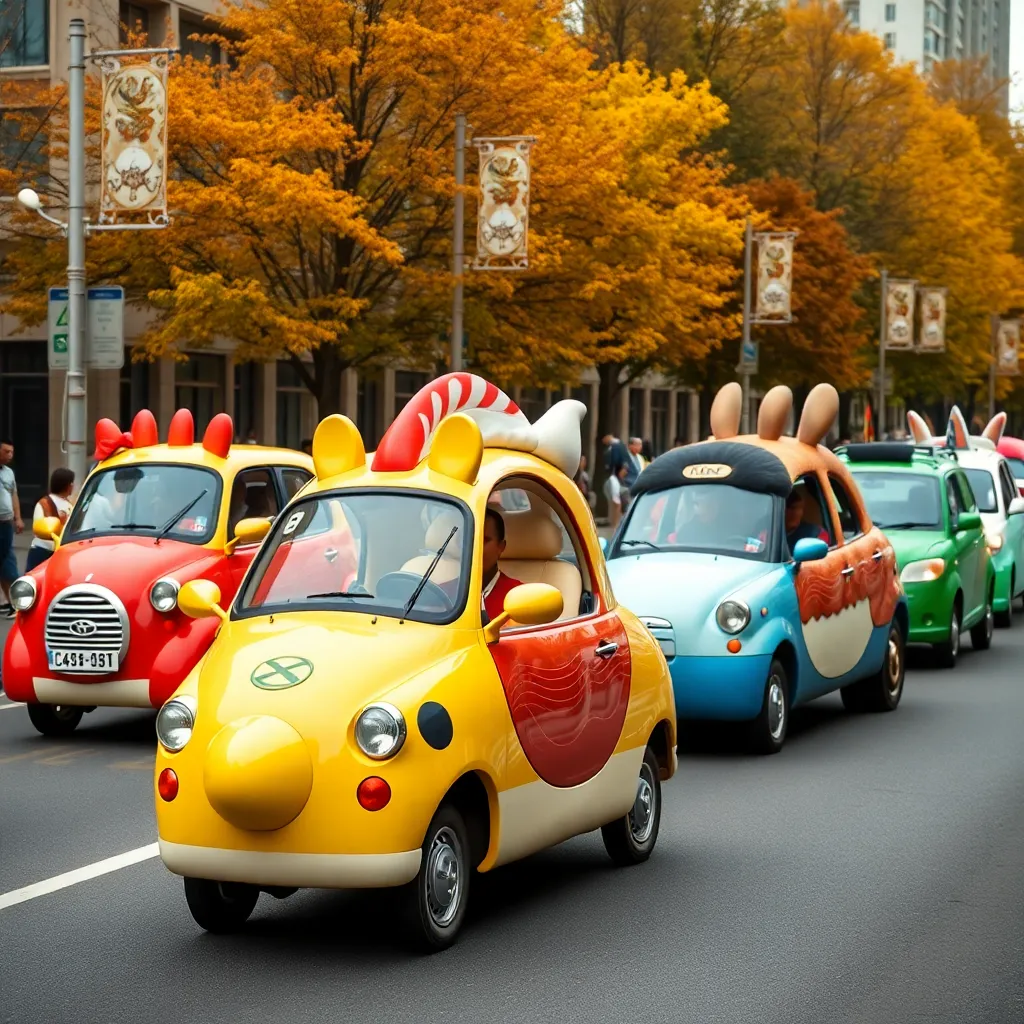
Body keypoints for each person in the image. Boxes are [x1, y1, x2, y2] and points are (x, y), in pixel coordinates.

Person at [26, 468, 75, 572]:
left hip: (60, 551)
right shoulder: (44, 503)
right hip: (43, 551)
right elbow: (40, 529)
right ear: (68, 485)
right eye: (72, 483)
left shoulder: (69, 504)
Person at [480, 507, 522, 623]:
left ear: (501, 547)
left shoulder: (520, 598)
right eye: (469, 539)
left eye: (484, 540)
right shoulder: (442, 594)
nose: (474, 548)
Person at [0, 438, 23, 616]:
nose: (10, 455)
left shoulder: (9, 473)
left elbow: (13, 495)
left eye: (11, 452)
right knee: (6, 561)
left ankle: (12, 603)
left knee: (5, 559)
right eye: (6, 451)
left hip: (6, 522)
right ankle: (13, 602)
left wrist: (18, 517)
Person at [785, 488, 829, 553]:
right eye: (792, 508)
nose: (798, 513)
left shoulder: (815, 534)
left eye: (801, 508)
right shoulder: (768, 533)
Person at [604, 463, 629, 529]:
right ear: (620, 470)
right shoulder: (614, 481)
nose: (626, 472)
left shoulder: (620, 480)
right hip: (617, 513)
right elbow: (616, 502)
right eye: (625, 470)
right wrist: (616, 524)